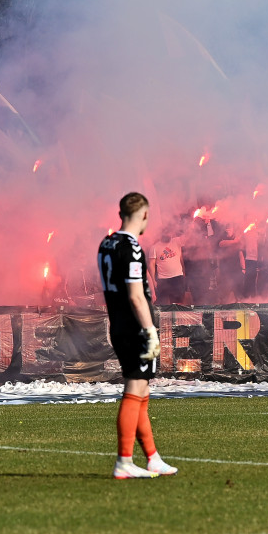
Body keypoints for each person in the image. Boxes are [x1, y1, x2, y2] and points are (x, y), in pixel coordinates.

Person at [97, 192, 177, 479]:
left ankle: (152, 458)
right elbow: (135, 295)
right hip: (134, 326)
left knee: (142, 389)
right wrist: (150, 331)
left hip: (117, 323)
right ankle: (124, 461)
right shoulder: (130, 247)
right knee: (135, 389)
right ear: (143, 214)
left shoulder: (106, 243)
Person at [148, 225, 187, 305]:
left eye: (170, 233)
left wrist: (192, 224)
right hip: (163, 279)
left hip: (178, 277)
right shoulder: (154, 247)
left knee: (178, 303)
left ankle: (178, 317)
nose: (169, 235)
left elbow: (189, 236)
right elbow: (151, 264)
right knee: (163, 304)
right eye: (167, 233)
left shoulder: (177, 241)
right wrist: (153, 280)